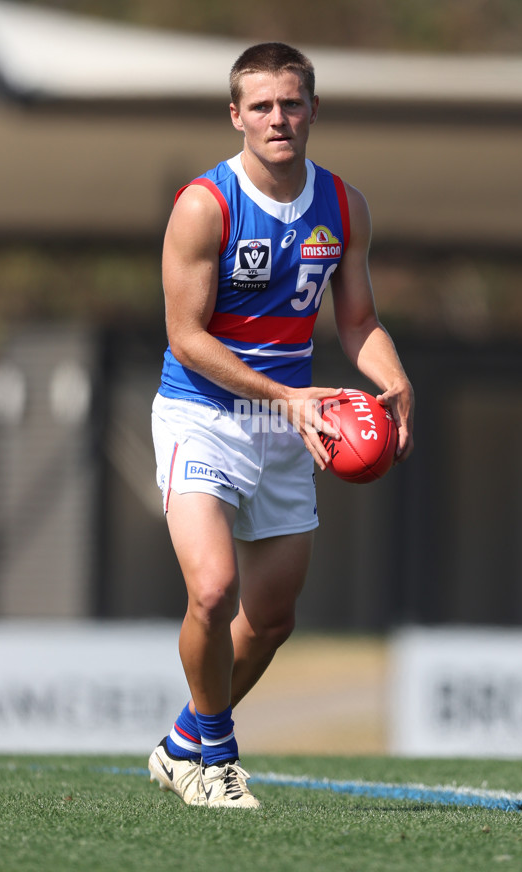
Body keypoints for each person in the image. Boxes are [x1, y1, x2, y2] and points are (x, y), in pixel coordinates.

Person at [148, 42, 414, 809]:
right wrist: (286, 396)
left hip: (290, 426)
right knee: (213, 591)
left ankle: (182, 742)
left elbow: (358, 319)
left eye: (291, 103)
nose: (277, 118)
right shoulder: (206, 204)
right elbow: (186, 337)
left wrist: (392, 378)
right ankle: (217, 760)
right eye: (260, 106)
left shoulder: (343, 205)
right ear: (236, 115)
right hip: (204, 414)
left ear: (313, 110)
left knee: (270, 620)